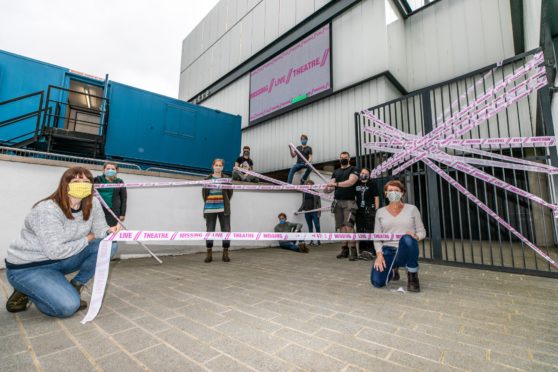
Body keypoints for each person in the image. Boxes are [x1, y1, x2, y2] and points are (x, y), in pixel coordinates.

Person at [5, 167, 120, 318]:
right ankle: (26, 288)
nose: (83, 184)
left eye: (87, 181)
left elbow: (99, 231)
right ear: (65, 184)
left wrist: (109, 232)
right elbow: (55, 251)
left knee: (109, 244)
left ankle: (75, 285)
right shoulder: (47, 210)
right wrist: (88, 238)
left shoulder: (93, 203)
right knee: (68, 307)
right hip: (29, 267)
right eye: (77, 181)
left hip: (60, 260)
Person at [372, 180, 426, 292]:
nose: (393, 192)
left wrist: (415, 236)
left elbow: (422, 232)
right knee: (377, 282)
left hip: (405, 248)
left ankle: (412, 276)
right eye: (390, 190)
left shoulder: (412, 209)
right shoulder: (380, 212)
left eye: (396, 190)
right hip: (387, 250)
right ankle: (393, 270)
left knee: (408, 239)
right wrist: (379, 255)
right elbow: (377, 237)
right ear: (386, 193)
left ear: (402, 193)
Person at [325, 151, 359, 260]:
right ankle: (344, 250)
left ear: (349, 159)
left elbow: (351, 182)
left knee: (349, 227)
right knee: (341, 227)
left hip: (350, 202)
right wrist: (327, 188)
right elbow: (330, 186)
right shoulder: (336, 171)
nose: (343, 159)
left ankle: (353, 250)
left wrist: (336, 184)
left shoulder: (354, 169)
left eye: (345, 157)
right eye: (341, 157)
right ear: (339, 159)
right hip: (337, 202)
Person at [202, 159, 233, 263]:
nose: (218, 167)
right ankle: (209, 253)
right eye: (216, 165)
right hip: (210, 209)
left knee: (226, 230)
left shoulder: (227, 179)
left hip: (223, 209)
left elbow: (229, 194)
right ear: (213, 166)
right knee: (209, 231)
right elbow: (204, 194)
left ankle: (225, 253)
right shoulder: (207, 179)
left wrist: (224, 202)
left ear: (223, 167)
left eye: (220, 165)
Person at [355, 168, 379, 260]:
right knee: (360, 230)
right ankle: (361, 251)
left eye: (365, 173)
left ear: (369, 175)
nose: (363, 174)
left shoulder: (372, 184)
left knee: (369, 230)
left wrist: (376, 210)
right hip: (359, 210)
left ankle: (371, 251)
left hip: (370, 210)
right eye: (362, 172)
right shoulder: (357, 183)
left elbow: (376, 197)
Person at [93, 162, 127, 227]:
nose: (110, 170)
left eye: (113, 169)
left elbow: (124, 198)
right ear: (103, 170)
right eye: (108, 168)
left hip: (113, 211)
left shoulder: (119, 181)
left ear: (117, 171)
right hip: (97, 209)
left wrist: (122, 214)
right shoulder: (96, 180)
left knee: (111, 230)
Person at [297, 180, 321, 245]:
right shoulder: (304, 193)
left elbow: (319, 204)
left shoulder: (316, 193)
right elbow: (303, 202)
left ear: (312, 185)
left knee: (317, 226)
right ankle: (311, 241)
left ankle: (318, 241)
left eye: (310, 184)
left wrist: (319, 212)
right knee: (310, 226)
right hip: (307, 212)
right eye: (307, 184)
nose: (308, 185)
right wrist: (299, 211)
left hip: (314, 211)